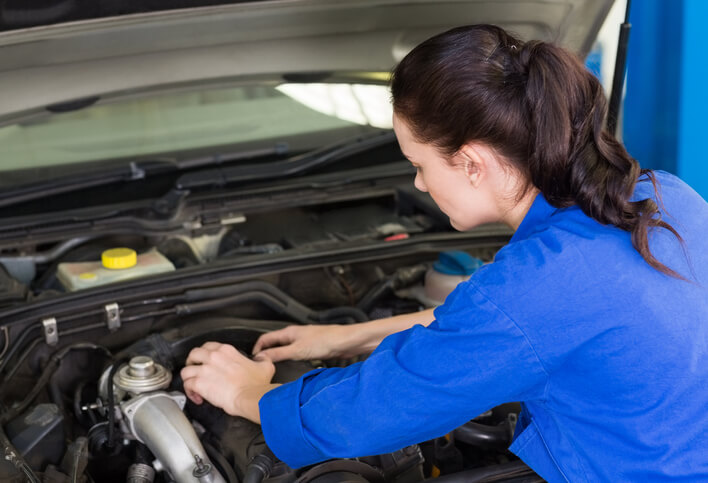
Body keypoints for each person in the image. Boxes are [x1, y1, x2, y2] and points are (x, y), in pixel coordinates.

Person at [180, 25, 708, 481]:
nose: (418, 182)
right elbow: (522, 326)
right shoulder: (665, 197)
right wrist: (348, 335)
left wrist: (250, 395)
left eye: (418, 163)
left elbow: (378, 409)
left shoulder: (535, 287)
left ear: (472, 163)